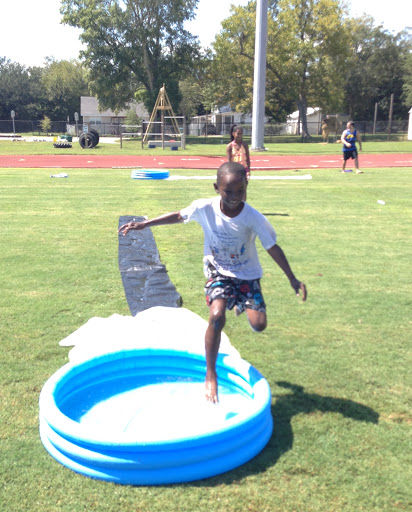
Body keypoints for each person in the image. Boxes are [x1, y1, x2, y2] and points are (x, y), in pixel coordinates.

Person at [118, 162, 307, 404]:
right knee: (216, 315)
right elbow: (179, 216)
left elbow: (272, 247)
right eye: (228, 191)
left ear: (247, 187)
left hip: (247, 275)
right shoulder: (204, 207)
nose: (235, 197)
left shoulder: (253, 218)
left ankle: (239, 301)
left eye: (241, 191)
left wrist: (292, 278)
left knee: (258, 325)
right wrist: (146, 224)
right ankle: (210, 373)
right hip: (218, 271)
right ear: (217, 188)